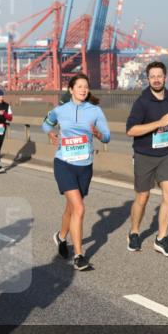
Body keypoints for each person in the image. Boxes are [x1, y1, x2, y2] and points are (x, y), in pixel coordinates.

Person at [42, 73, 110, 271]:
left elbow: (107, 137)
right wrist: (51, 134)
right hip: (64, 163)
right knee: (79, 209)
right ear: (71, 90)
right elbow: (45, 124)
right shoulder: (60, 110)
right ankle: (79, 256)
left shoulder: (95, 111)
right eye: (79, 86)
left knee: (71, 209)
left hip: (85, 166)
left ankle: (61, 237)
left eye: (85, 86)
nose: (83, 89)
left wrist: (98, 134)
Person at [125, 61, 168, 257]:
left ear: (165, 77)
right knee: (143, 197)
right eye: (153, 76)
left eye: (160, 76)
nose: (156, 79)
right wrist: (158, 123)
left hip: (166, 155)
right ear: (148, 79)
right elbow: (131, 130)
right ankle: (134, 232)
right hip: (144, 156)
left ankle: (161, 238)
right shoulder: (142, 102)